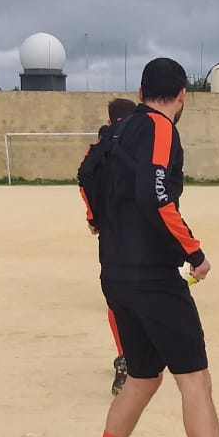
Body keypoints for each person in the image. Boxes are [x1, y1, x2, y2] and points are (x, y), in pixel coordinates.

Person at [74, 57, 219, 437]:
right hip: (152, 276)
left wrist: (101, 225)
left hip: (114, 273)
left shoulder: (114, 131)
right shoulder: (158, 127)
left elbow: (85, 176)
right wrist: (193, 251)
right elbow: (158, 195)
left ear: (139, 89)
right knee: (195, 382)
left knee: (141, 378)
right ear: (182, 96)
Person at [79, 97, 139, 394]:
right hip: (144, 231)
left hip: (112, 233)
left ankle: (126, 356)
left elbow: (84, 179)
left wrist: (94, 217)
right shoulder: (145, 141)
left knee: (117, 298)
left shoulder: (99, 148)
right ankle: (145, 353)